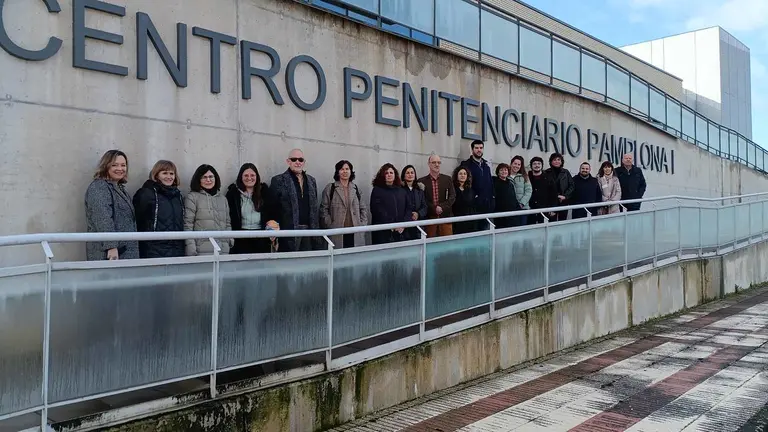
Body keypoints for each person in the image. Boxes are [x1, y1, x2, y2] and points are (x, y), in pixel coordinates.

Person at [85, 150, 139, 261]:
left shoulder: (119, 188)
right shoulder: (99, 187)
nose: (120, 169)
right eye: (115, 165)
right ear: (106, 166)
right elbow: (102, 218)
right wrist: (111, 246)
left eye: (123, 165)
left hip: (124, 251)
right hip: (110, 254)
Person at [132, 160, 185, 258]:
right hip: (153, 250)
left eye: (171, 173)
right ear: (156, 175)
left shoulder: (178, 196)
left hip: (177, 250)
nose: (169, 177)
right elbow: (137, 220)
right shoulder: (146, 194)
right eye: (164, 173)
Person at [270, 149, 321, 251]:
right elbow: (272, 208)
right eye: (294, 159)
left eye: (300, 159)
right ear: (288, 161)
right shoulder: (278, 180)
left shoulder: (312, 181)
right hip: (288, 232)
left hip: (309, 232)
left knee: (308, 264)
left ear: (304, 162)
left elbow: (314, 208)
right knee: (289, 264)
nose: (297, 162)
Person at [225, 163, 279, 254]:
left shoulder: (265, 193)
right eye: (246, 175)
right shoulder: (232, 194)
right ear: (241, 177)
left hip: (261, 238)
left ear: (257, 177)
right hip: (240, 239)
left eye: (252, 175)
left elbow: (273, 214)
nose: (249, 178)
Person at [184, 164, 233, 255]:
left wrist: (229, 241)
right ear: (198, 180)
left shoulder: (222, 199)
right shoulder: (192, 197)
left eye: (211, 176)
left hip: (223, 249)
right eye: (204, 177)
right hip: (200, 250)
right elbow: (188, 225)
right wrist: (190, 247)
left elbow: (227, 223)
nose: (208, 180)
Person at [319, 160, 369, 249]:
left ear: (351, 171)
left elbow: (363, 209)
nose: (345, 171)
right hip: (337, 232)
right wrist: (330, 225)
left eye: (347, 169)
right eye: (342, 169)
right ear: (338, 172)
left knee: (355, 257)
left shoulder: (356, 189)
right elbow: (323, 209)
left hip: (355, 231)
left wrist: (362, 225)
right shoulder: (330, 188)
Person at [417, 153, 455, 238]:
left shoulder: (447, 179)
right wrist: (434, 208)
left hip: (445, 218)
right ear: (429, 164)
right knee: (430, 246)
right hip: (430, 219)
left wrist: (442, 207)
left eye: (438, 162)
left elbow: (452, 197)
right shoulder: (421, 181)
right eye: (434, 162)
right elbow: (423, 200)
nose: (437, 164)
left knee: (447, 246)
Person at [370, 163, 409, 245]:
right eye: (386, 173)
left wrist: (403, 224)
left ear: (395, 175)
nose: (389, 175)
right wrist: (391, 224)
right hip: (383, 233)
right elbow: (376, 210)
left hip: (401, 232)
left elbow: (408, 209)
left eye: (391, 173)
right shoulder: (377, 190)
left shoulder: (402, 191)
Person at [461, 140, 494, 229]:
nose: (479, 150)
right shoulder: (466, 165)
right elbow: (464, 183)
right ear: (472, 150)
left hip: (487, 206)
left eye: (481, 148)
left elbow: (490, 183)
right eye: (476, 148)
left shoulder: (486, 165)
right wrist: (473, 197)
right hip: (474, 206)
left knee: (487, 234)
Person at [542, 152, 574, 222]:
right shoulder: (546, 172)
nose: (557, 161)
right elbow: (544, 188)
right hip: (551, 203)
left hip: (563, 201)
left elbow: (571, 186)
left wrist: (565, 196)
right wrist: (555, 196)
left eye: (558, 159)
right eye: (554, 160)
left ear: (561, 161)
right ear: (551, 161)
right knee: (551, 222)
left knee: (562, 222)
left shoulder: (565, 172)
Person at [401, 165, 427, 241]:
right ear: (404, 175)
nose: (410, 175)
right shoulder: (399, 190)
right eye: (408, 173)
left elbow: (424, 206)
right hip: (404, 226)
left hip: (417, 226)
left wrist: (418, 214)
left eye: (412, 173)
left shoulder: (420, 190)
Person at [527, 156, 556, 224]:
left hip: (545, 210)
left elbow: (553, 195)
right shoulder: (527, 177)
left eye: (539, 163)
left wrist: (553, 208)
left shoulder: (549, 178)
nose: (537, 165)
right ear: (531, 166)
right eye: (534, 164)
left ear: (542, 165)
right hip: (530, 210)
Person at [492, 163, 522, 228]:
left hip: (512, 214)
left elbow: (513, 198)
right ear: (498, 172)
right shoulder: (494, 183)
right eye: (501, 170)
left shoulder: (510, 184)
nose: (504, 172)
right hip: (500, 214)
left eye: (505, 170)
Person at [452, 166, 477, 234]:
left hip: (469, 221)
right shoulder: (452, 189)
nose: (462, 175)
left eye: (464, 174)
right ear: (456, 175)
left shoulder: (470, 190)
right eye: (460, 174)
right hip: (457, 221)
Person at [509, 155, 533, 225]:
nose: (516, 166)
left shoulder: (524, 176)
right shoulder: (506, 176)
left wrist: (522, 203)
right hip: (510, 209)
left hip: (522, 209)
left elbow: (528, 191)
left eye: (519, 164)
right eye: (515, 163)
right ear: (511, 164)